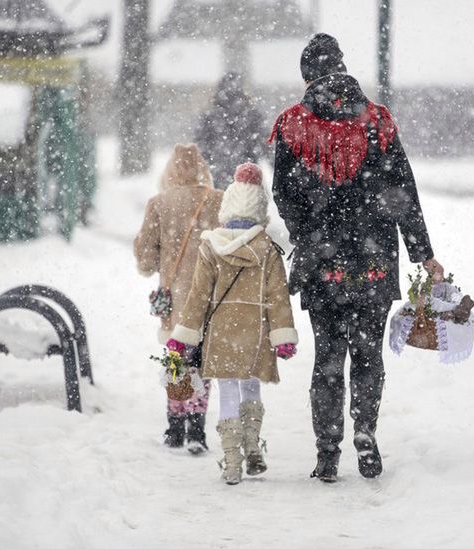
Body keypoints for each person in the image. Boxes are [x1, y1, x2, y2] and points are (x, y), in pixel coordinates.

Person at [269, 33, 445, 482]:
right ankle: (365, 430)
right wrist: (423, 254)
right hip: (373, 261)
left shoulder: (294, 125)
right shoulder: (377, 122)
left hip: (321, 263)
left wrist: (307, 233)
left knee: (327, 358)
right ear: (342, 67)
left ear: (308, 75)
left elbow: (283, 193)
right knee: (367, 355)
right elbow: (403, 192)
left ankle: (328, 452)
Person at [167, 162, 298, 485]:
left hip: (221, 332)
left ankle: (231, 462)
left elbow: (198, 296)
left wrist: (182, 337)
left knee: (227, 390)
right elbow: (278, 295)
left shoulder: (211, 246)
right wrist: (283, 336)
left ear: (228, 207)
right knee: (250, 385)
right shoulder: (267, 248)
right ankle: (253, 449)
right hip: (255, 331)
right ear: (259, 208)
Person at [134, 143, 223, 454]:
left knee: (176, 358)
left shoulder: (158, 204)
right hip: (206, 297)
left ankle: (175, 426)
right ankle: (197, 427)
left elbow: (145, 261)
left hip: (174, 301)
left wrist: (157, 255)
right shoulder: (216, 201)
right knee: (199, 360)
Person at [195, 73, 268, 190]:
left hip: (218, 172)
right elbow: (263, 142)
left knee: (220, 205)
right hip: (246, 175)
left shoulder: (210, 113)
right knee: (246, 205)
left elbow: (201, 142)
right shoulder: (251, 113)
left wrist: (209, 160)